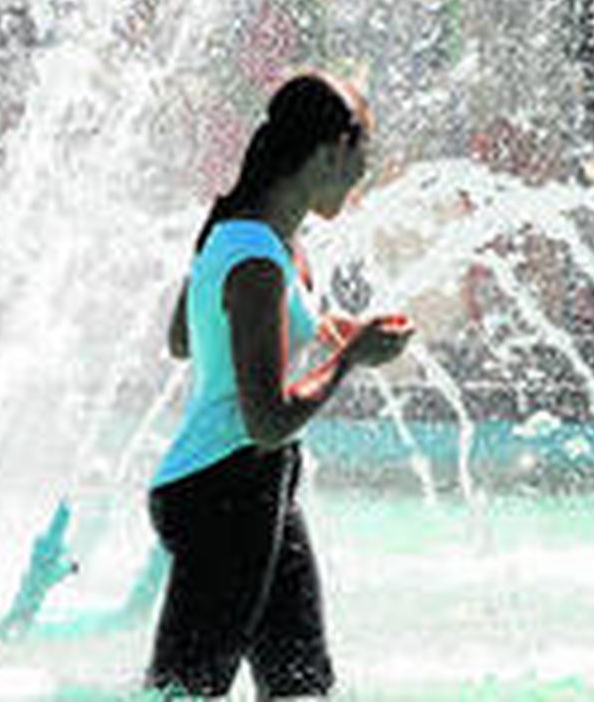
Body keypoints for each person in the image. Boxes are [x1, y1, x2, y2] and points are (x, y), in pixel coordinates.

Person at [148, 71, 414, 697]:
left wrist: (324, 330)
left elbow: (186, 337)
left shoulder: (258, 239)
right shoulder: (259, 259)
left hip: (253, 489)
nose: (360, 178)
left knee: (301, 685)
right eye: (360, 159)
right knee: (185, 693)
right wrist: (348, 356)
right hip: (225, 493)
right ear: (329, 151)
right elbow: (267, 420)